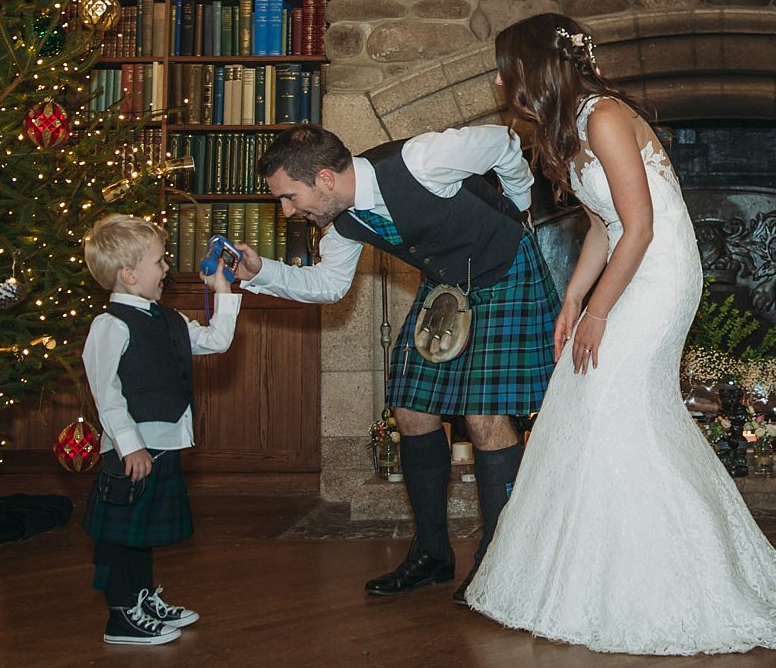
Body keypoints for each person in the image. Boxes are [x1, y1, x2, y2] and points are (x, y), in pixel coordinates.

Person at [464, 15, 776, 654]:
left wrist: (599, 315)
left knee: (613, 401)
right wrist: (573, 298)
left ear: (536, 66)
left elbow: (640, 227)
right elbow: (600, 225)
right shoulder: (564, 131)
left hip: (661, 274)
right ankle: (594, 575)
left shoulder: (606, 116)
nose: (502, 78)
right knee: (593, 404)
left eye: (508, 64)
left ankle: (683, 578)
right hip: (624, 269)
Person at [234, 123, 561, 603]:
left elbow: (502, 142)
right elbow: (329, 286)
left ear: (325, 178)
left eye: (288, 196)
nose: (287, 211)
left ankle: (498, 560)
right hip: (448, 283)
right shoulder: (343, 220)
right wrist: (262, 272)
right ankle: (432, 554)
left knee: (486, 416)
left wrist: (520, 203)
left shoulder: (422, 160)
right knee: (409, 408)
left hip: (505, 268)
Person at [81, 213, 240, 645]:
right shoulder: (109, 325)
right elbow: (106, 393)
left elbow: (216, 341)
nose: (166, 267)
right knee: (120, 535)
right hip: (130, 451)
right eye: (158, 261)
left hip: (165, 442)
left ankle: (141, 597)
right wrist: (129, 446)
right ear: (129, 274)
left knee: (142, 533)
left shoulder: (168, 320)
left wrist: (223, 292)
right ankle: (121, 616)